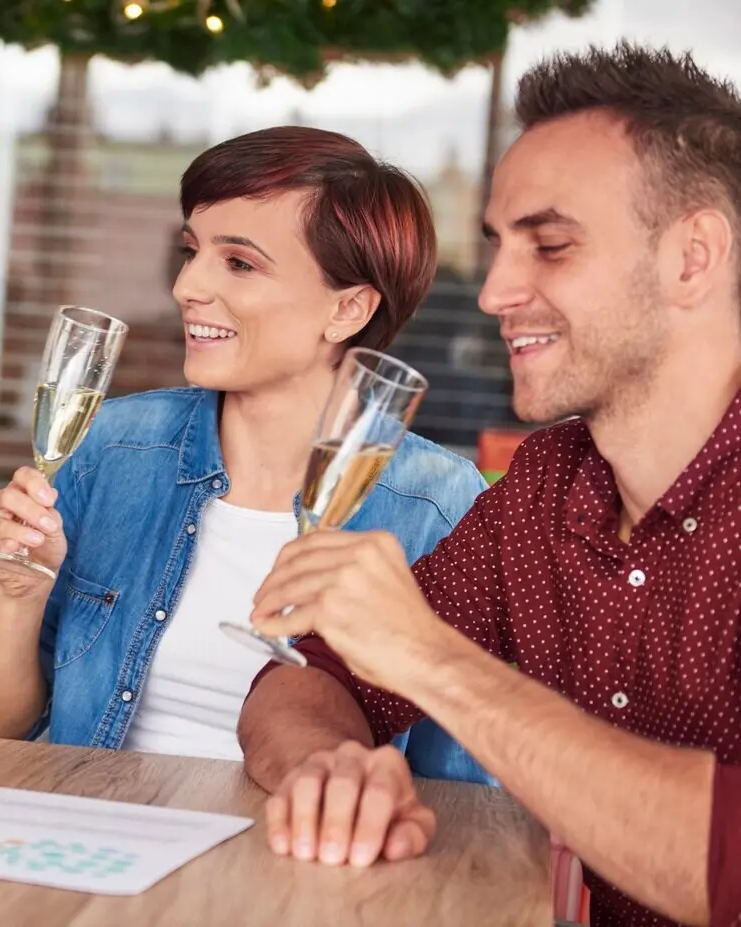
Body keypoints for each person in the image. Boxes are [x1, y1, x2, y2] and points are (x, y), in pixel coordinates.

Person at [239, 43, 741, 927]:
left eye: (549, 245)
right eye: (501, 247)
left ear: (693, 256)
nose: (496, 291)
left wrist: (432, 661)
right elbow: (310, 680)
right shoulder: (546, 486)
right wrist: (328, 769)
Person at [0, 125, 489, 783]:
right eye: (193, 251)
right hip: (93, 837)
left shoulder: (439, 508)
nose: (188, 285)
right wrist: (20, 595)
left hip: (303, 868)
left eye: (238, 262)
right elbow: (1, 727)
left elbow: (456, 789)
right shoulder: (114, 448)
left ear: (348, 309)